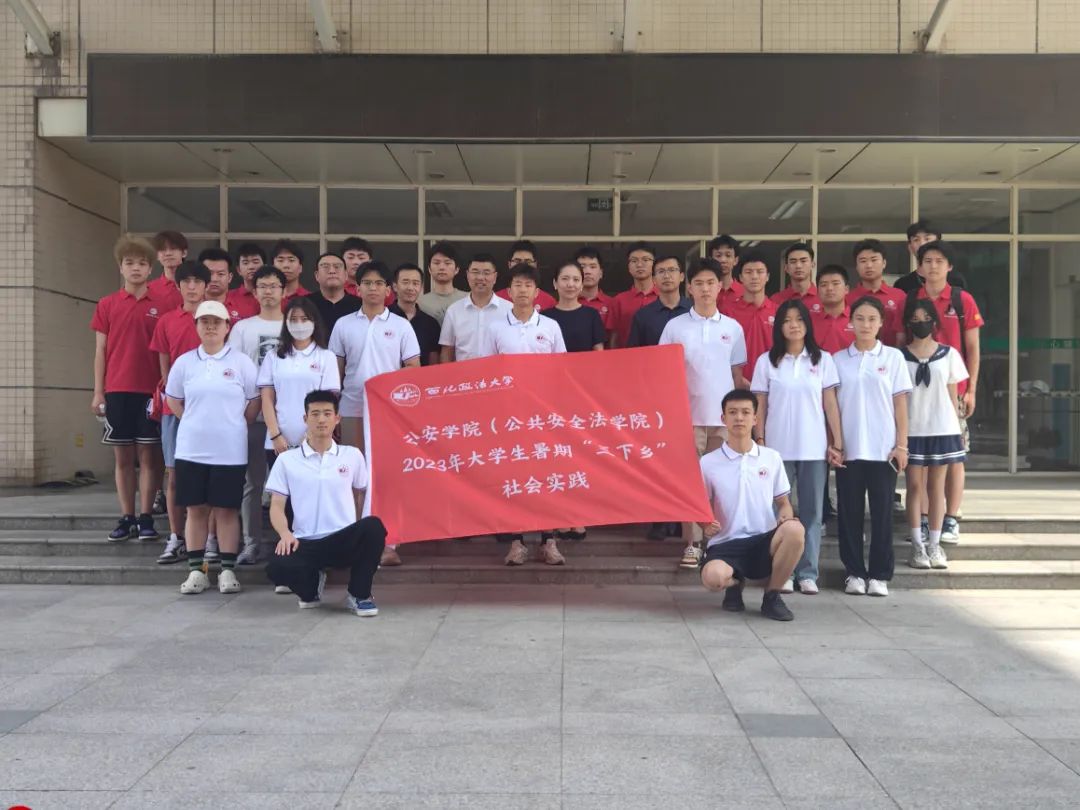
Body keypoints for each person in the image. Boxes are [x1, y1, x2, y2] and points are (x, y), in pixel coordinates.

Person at [165, 300, 260, 595]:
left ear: (227, 327)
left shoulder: (241, 362)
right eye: (204, 322)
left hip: (229, 450)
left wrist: (233, 424)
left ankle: (227, 570)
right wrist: (193, 421)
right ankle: (197, 571)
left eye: (216, 322)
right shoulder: (184, 363)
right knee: (195, 509)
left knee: (226, 510)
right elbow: (173, 399)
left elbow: (253, 402)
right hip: (191, 449)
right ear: (196, 326)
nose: (210, 327)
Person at [265, 390, 387, 617]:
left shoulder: (352, 455)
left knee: (374, 527)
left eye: (327, 414)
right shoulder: (287, 460)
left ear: (337, 418)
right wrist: (285, 533)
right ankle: (310, 588)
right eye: (315, 414)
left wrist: (359, 528)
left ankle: (359, 595)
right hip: (305, 541)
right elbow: (277, 505)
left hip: (342, 538)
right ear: (305, 418)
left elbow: (363, 494)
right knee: (275, 566)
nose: (321, 419)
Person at [659, 258, 748, 570]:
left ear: (720, 286)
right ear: (690, 288)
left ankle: (719, 544)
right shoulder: (675, 327)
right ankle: (693, 544)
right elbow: (662, 373)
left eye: (711, 282)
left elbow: (737, 376)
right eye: (699, 283)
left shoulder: (732, 328)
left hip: (724, 421)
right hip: (687, 418)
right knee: (691, 483)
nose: (705, 289)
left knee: (722, 483)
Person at [751, 300, 843, 595]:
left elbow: (830, 403)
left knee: (812, 512)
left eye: (799, 319)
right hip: (776, 450)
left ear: (807, 324)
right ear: (779, 326)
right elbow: (760, 405)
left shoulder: (822, 360)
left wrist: (837, 441)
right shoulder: (767, 361)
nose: (793, 325)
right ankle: (783, 571)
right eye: (787, 320)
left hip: (813, 448)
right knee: (778, 511)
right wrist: (760, 440)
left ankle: (807, 573)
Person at [484, 263, 568, 566]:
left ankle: (549, 541)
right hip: (509, 415)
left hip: (544, 414)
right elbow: (487, 371)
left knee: (547, 476)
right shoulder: (495, 328)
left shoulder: (550, 326)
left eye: (528, 285)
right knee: (513, 477)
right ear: (508, 290)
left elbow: (561, 371)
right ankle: (516, 542)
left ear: (537, 292)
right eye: (517, 285)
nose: (522, 290)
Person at [698, 390, 804, 622]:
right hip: (725, 543)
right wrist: (705, 523)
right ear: (723, 418)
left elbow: (784, 503)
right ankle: (735, 584)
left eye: (746, 412)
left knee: (795, 530)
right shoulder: (708, 462)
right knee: (713, 578)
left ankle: (772, 596)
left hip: (763, 540)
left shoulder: (771, 458)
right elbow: (699, 506)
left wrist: (785, 517)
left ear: (755, 418)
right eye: (732, 412)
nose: (739, 418)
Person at [833, 296, 912, 598]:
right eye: (860, 318)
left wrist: (902, 445)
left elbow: (900, 404)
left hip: (883, 450)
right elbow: (831, 407)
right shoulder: (838, 360)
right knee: (849, 515)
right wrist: (835, 444)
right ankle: (854, 572)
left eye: (872, 319)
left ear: (881, 323)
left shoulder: (892, 357)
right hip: (849, 451)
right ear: (850, 322)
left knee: (882, 515)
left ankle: (879, 574)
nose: (865, 324)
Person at [92, 235, 166, 544]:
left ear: (150, 268)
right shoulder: (107, 304)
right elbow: (100, 350)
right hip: (117, 389)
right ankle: (127, 517)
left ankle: (147, 517)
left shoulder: (163, 305)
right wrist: (98, 392)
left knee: (149, 456)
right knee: (122, 458)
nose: (136, 268)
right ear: (120, 268)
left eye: (142, 263)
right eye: (129, 263)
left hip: (150, 392)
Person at [913, 240, 984, 545]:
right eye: (927, 261)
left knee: (954, 457)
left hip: (954, 391)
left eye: (939, 261)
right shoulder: (911, 299)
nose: (933, 266)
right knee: (921, 460)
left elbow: (973, 349)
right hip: (918, 393)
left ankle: (951, 518)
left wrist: (971, 391)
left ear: (949, 266)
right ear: (919, 267)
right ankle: (925, 518)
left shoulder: (962, 300)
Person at [259, 297, 341, 560]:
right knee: (283, 502)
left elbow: (329, 400)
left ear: (314, 322)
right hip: (279, 442)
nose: (299, 324)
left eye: (304, 319)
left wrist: (312, 436)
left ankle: (314, 558)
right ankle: (289, 556)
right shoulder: (274, 356)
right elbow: (267, 398)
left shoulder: (325, 356)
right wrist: (275, 434)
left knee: (310, 502)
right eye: (293, 319)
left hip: (315, 442)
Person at [902, 298, 968, 571]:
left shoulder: (949, 354)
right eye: (915, 319)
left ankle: (935, 544)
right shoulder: (899, 357)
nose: (921, 324)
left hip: (942, 427)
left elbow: (952, 395)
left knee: (937, 488)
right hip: (912, 428)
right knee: (914, 487)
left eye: (926, 319)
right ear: (908, 323)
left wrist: (958, 427)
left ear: (934, 321)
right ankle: (917, 545)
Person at [149, 261, 208, 563]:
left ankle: (208, 539)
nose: (192, 287)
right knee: (174, 474)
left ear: (206, 286)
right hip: (175, 409)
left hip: (209, 409)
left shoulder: (216, 319)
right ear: (179, 285)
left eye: (198, 281)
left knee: (208, 474)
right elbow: (164, 367)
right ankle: (176, 536)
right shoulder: (167, 321)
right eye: (186, 281)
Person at [227, 266, 286, 564]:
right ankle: (251, 543)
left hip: (285, 420)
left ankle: (286, 541)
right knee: (252, 483)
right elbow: (234, 370)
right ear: (254, 290)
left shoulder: (294, 324)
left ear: (283, 291)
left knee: (288, 484)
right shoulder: (242, 328)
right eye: (263, 286)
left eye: (274, 286)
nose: (268, 291)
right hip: (251, 417)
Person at [329, 261, 421, 451]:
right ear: (357, 289)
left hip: (390, 408)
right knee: (353, 462)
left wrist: (385, 385)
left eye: (379, 283)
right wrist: (333, 410)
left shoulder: (401, 325)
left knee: (387, 460)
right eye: (367, 283)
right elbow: (335, 372)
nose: (373, 288)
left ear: (388, 290)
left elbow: (414, 367)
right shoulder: (343, 324)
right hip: (351, 407)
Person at [439, 253, 512, 363]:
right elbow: (447, 351)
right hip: (464, 373)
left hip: (498, 373)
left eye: (486, 273)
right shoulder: (454, 310)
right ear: (467, 275)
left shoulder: (510, 310)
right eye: (475, 272)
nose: (480, 278)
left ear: (495, 277)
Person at [722, 252, 776, 382]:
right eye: (748, 272)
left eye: (760, 272)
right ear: (740, 277)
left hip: (771, 385)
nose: (754, 276)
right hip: (736, 385)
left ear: (767, 277)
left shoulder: (779, 312)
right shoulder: (727, 311)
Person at [848, 239, 905, 347]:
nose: (869, 265)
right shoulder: (847, 299)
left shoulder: (899, 296)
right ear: (856, 266)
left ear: (884, 263)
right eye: (863, 261)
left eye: (874, 260)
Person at [626, 255, 691, 349]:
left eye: (672, 270)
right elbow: (634, 352)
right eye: (661, 271)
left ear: (682, 276)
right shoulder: (642, 316)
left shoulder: (694, 310)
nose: (666, 276)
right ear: (654, 280)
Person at [542, 261, 606, 353]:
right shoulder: (544, 317)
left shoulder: (592, 315)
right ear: (555, 283)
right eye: (565, 279)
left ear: (581, 285)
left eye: (576, 280)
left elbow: (599, 352)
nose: (570, 284)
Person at [390, 262, 442, 366]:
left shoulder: (430, 324)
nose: (410, 287)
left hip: (421, 376)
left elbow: (434, 364)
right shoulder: (382, 318)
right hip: (388, 376)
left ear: (421, 288)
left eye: (415, 283)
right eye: (405, 282)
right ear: (395, 286)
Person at [609, 241, 657, 348]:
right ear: (629, 267)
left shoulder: (663, 297)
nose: (639, 265)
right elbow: (614, 337)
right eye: (634, 261)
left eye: (645, 260)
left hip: (659, 356)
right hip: (627, 356)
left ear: (654, 265)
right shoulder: (619, 300)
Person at [896, 220, 966, 293]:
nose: (922, 244)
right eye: (916, 240)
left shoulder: (956, 280)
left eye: (927, 239)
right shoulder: (902, 284)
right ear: (910, 247)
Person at [307, 252, 362, 333]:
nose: (332, 271)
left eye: (337, 267)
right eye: (325, 267)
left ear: (346, 275)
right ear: (317, 275)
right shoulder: (305, 304)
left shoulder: (360, 306)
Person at [496, 240, 556, 311]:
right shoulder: (496, 299)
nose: (522, 265)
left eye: (528, 261)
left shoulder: (549, 302)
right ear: (509, 264)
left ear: (535, 264)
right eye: (517, 261)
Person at [418, 241, 467, 326]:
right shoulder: (420, 303)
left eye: (447, 263)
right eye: (436, 263)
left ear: (457, 269)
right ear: (429, 269)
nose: (442, 267)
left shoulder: (468, 299)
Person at [811, 264, 856, 353]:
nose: (829, 288)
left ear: (846, 289)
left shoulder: (858, 318)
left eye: (835, 284)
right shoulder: (809, 320)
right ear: (817, 291)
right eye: (824, 285)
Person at [198, 247, 247, 323]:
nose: (214, 279)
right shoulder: (191, 305)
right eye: (209, 273)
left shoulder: (245, 306)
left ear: (230, 277)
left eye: (220, 274)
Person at [771, 242, 822, 313]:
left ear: (812, 265)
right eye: (793, 262)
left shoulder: (824, 298)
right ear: (786, 268)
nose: (798, 266)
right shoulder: (776, 300)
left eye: (803, 261)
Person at [574, 246, 613, 330]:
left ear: (601, 273)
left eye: (593, 267)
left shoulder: (612, 304)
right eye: (582, 267)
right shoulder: (566, 303)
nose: (587, 272)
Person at [149, 230, 186, 313]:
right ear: (157, 255)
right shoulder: (149, 289)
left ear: (184, 253)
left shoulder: (195, 286)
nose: (168, 253)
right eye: (163, 249)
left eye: (173, 248)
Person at [708, 234, 744, 313]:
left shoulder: (745, 293)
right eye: (718, 255)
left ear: (735, 260)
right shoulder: (705, 291)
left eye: (728, 255)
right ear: (711, 259)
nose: (723, 260)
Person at [232, 243, 268, 318]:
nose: (251, 267)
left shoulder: (276, 296)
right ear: (238, 270)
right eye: (245, 263)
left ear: (265, 267)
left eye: (255, 262)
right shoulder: (229, 298)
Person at [272, 239, 310, 306]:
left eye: (291, 260)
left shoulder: (310, 299)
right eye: (280, 260)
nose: (286, 265)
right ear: (273, 267)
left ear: (300, 267)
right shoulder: (264, 298)